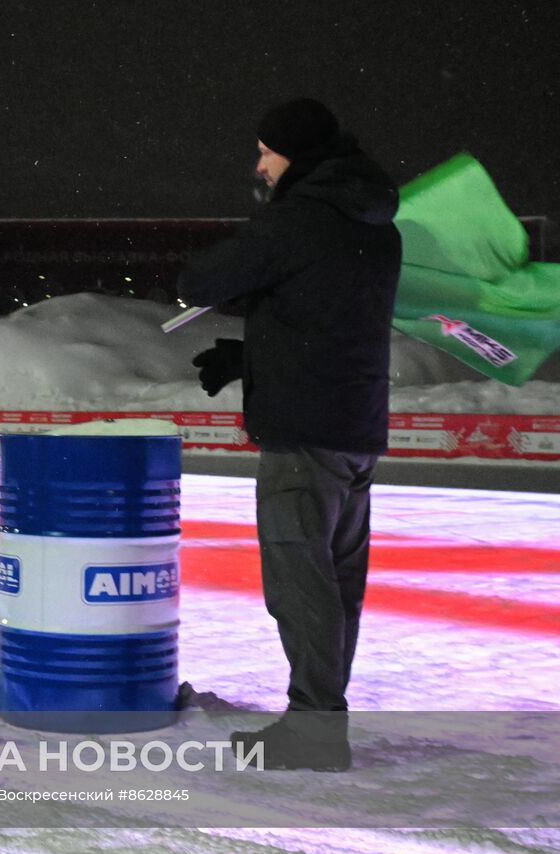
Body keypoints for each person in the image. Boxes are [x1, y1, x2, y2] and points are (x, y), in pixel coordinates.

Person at [177, 99, 402, 770]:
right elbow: (324, 323)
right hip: (353, 430)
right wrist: (245, 357)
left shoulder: (299, 220)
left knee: (301, 586)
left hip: (303, 439)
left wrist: (266, 229)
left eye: (267, 151)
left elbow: (200, 280)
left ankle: (313, 728)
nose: (259, 164)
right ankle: (320, 717)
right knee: (334, 583)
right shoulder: (374, 226)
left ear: (296, 156)